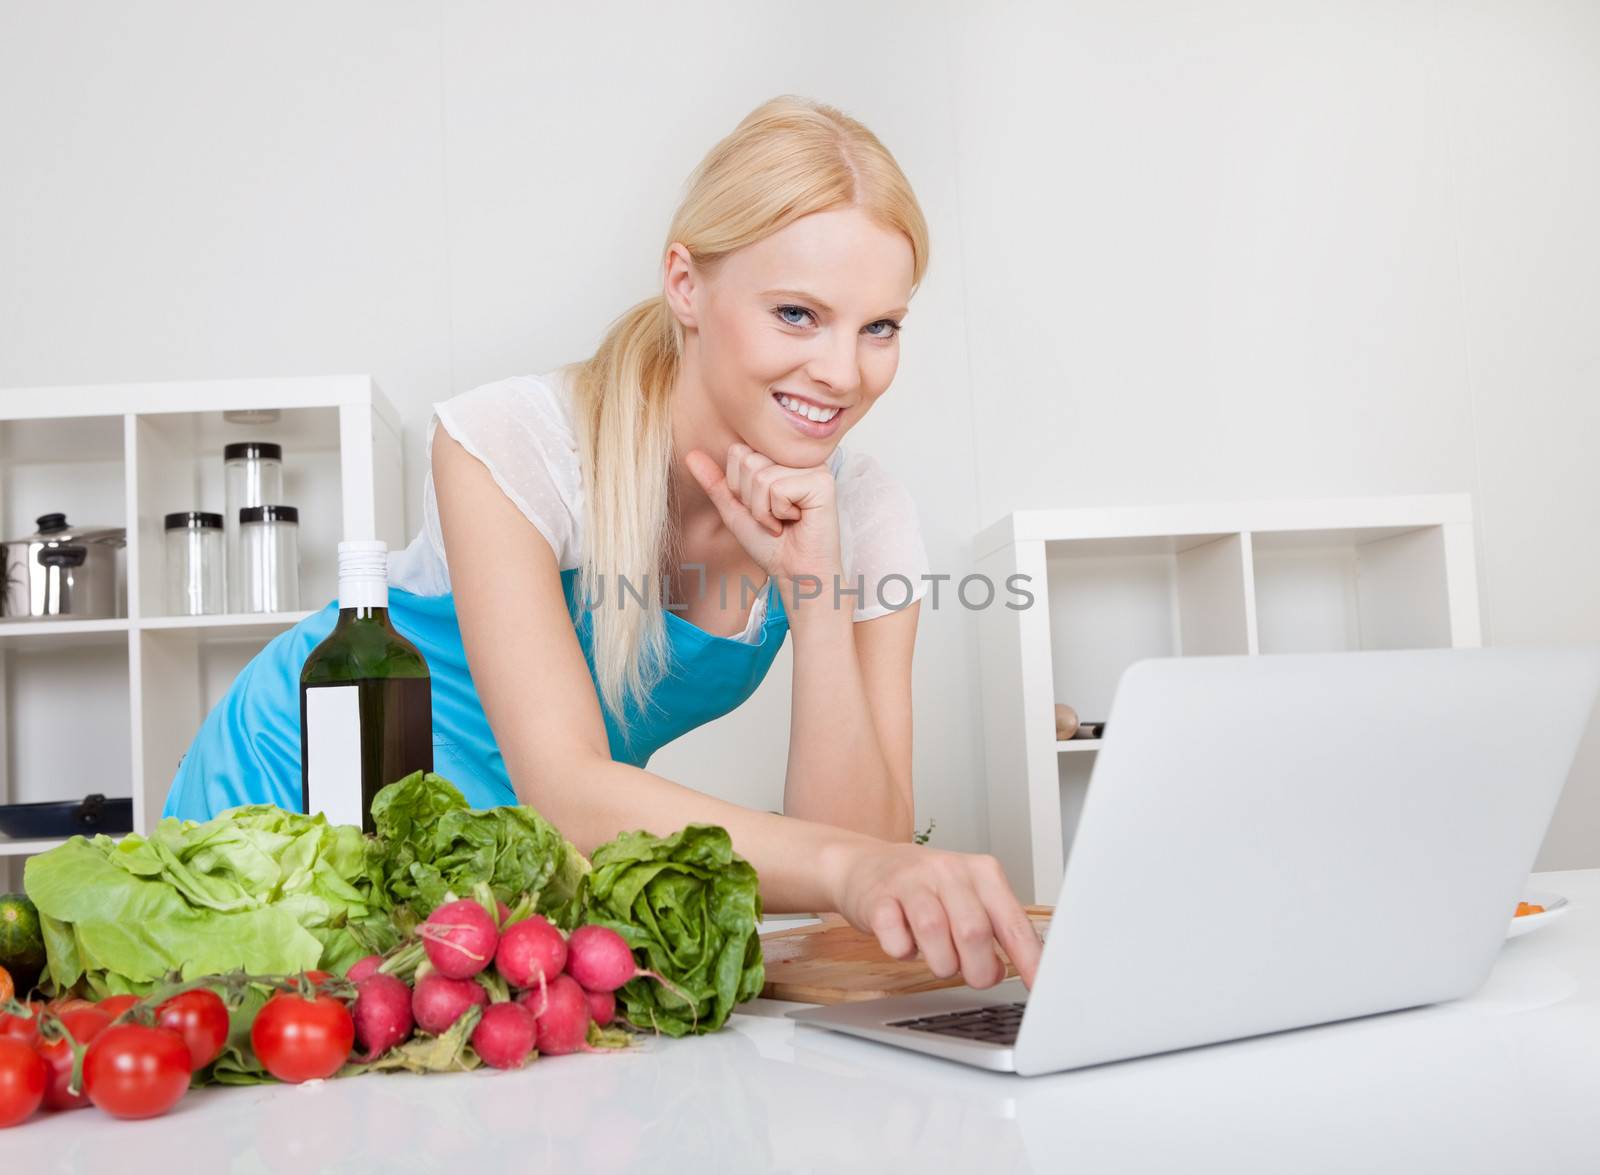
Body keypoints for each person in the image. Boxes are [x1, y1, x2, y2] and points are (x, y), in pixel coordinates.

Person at [164, 95, 1042, 991]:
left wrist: (816, 600)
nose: (843, 373)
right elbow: (569, 785)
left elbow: (862, 859)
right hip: (312, 774)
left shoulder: (868, 515)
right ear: (686, 284)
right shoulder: (514, 444)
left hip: (507, 871)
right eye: (796, 314)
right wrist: (851, 866)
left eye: (880, 327)